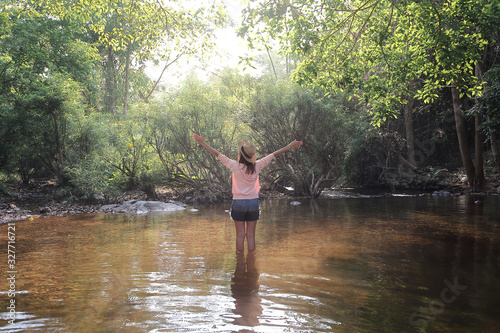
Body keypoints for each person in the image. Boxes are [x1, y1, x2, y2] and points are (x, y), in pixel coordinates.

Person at [193, 133, 303, 254]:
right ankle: (251, 263)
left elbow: (217, 154)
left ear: (240, 155)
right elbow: (274, 154)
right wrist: (290, 146)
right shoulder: (258, 166)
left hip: (238, 203)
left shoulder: (235, 166)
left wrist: (203, 143)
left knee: (240, 236)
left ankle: (240, 264)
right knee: (251, 236)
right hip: (253, 203)